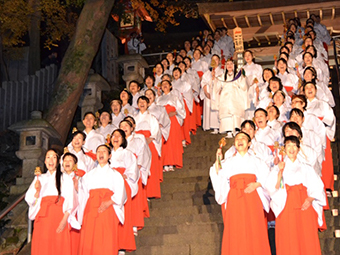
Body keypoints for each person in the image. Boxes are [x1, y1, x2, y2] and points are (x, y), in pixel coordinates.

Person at [210, 132, 271, 255]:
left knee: (254, 227)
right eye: (237, 139)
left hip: (252, 196)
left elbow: (268, 178)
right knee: (235, 228)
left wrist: (257, 184)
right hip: (234, 197)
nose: (240, 140)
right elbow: (218, 175)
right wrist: (218, 160)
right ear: (234, 144)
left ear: (249, 143)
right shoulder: (228, 161)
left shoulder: (257, 161)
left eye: (243, 138)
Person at [265, 136, 326, 255]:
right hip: (285, 204)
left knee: (306, 238)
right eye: (288, 145)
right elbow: (272, 188)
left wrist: (310, 198)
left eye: (294, 145)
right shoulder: (278, 168)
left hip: (304, 204)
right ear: (284, 148)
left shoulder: (306, 167)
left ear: (298, 149)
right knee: (288, 239)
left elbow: (317, 185)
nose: (291, 148)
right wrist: (279, 173)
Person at [25, 149, 79, 255]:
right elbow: (29, 199)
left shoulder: (65, 178)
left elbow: (71, 200)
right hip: (43, 217)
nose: (51, 160)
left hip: (58, 217)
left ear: (58, 161)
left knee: (58, 247)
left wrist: (64, 220)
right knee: (42, 247)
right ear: (45, 161)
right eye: (48, 157)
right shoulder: (39, 178)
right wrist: (37, 191)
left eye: (54, 157)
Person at [78, 144, 126, 255]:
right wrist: (81, 216)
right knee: (90, 238)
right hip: (91, 209)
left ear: (109, 156)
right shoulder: (88, 175)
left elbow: (121, 193)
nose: (101, 153)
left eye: (104, 151)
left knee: (106, 238)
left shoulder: (115, 175)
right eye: (98, 151)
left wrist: (109, 202)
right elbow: (83, 196)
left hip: (108, 209)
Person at [110, 129, 138, 252]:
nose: (115, 137)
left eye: (119, 136)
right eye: (113, 135)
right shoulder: (107, 153)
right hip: (109, 186)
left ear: (123, 139)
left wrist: (125, 175)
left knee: (123, 214)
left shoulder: (127, 153)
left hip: (122, 183)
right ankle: (112, 244)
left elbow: (133, 169)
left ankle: (122, 245)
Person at [134, 96, 162, 198]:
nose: (142, 103)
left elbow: (156, 132)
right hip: (137, 146)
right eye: (140, 102)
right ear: (137, 105)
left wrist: (149, 139)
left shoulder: (152, 118)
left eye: (144, 102)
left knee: (151, 167)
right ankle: (141, 194)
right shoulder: (134, 118)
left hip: (149, 143)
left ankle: (151, 193)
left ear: (148, 104)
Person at [212, 59, 247, 137]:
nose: (229, 65)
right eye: (227, 64)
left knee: (236, 112)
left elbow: (243, 86)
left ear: (234, 65)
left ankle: (237, 129)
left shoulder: (238, 76)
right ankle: (229, 130)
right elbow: (217, 87)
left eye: (231, 63)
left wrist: (243, 77)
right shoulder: (221, 77)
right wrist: (214, 79)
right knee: (226, 114)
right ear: (225, 66)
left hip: (236, 96)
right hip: (225, 97)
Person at [156, 80, 186, 171]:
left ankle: (172, 163)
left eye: (166, 84)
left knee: (172, 141)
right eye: (163, 84)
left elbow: (181, 109)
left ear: (170, 86)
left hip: (172, 120)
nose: (165, 86)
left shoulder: (175, 97)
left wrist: (175, 112)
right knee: (164, 142)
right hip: (163, 121)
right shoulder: (158, 99)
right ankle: (164, 163)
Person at [200, 54, 223, 133]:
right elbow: (203, 82)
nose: (215, 61)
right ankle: (211, 126)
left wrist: (215, 79)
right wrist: (206, 92)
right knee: (209, 108)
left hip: (218, 93)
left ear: (219, 61)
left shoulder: (222, 72)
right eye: (213, 59)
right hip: (209, 94)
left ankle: (219, 126)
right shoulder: (207, 72)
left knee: (218, 109)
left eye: (216, 59)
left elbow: (223, 82)